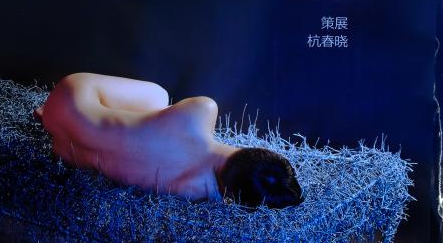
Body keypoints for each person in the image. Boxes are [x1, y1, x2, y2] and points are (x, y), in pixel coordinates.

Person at [35, 73, 304, 208]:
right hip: (65, 150)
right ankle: (63, 132)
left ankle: (51, 116)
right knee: (155, 118)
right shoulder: (192, 191)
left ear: (255, 149)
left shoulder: (202, 110)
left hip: (67, 102)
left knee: (159, 97)